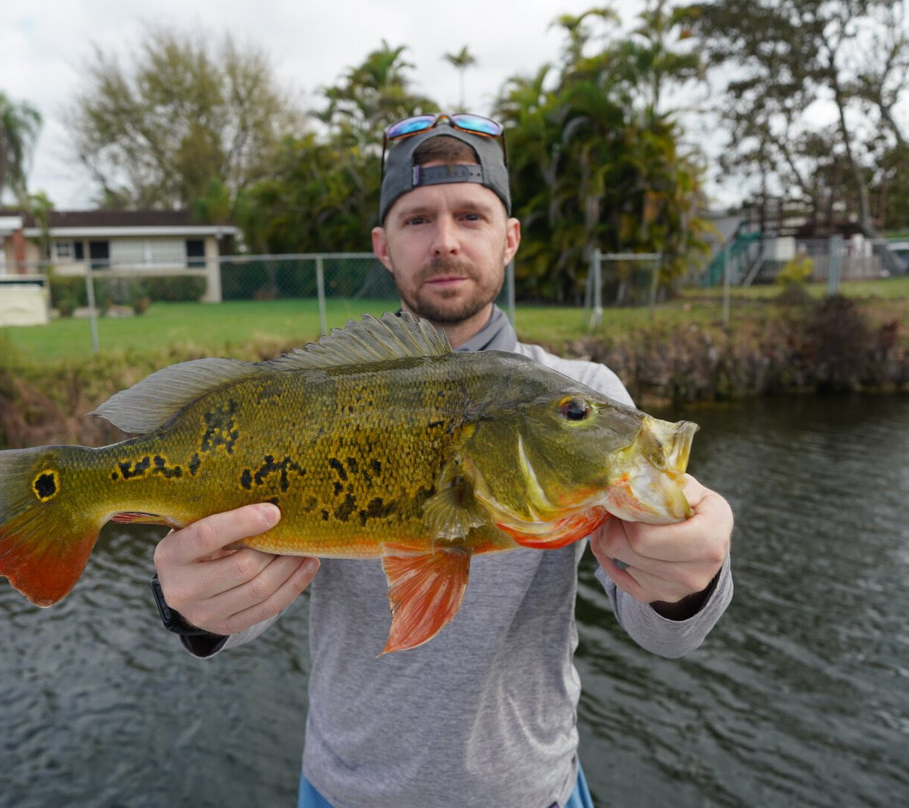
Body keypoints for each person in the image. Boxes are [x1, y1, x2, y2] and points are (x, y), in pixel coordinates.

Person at [152, 113, 734, 808]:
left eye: (472, 215)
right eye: (418, 219)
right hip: (342, 792)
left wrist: (691, 580)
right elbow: (247, 611)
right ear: (383, 247)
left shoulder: (588, 395)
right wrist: (190, 609)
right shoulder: (314, 397)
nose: (446, 241)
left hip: (533, 792)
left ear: (510, 237)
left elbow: (662, 632)